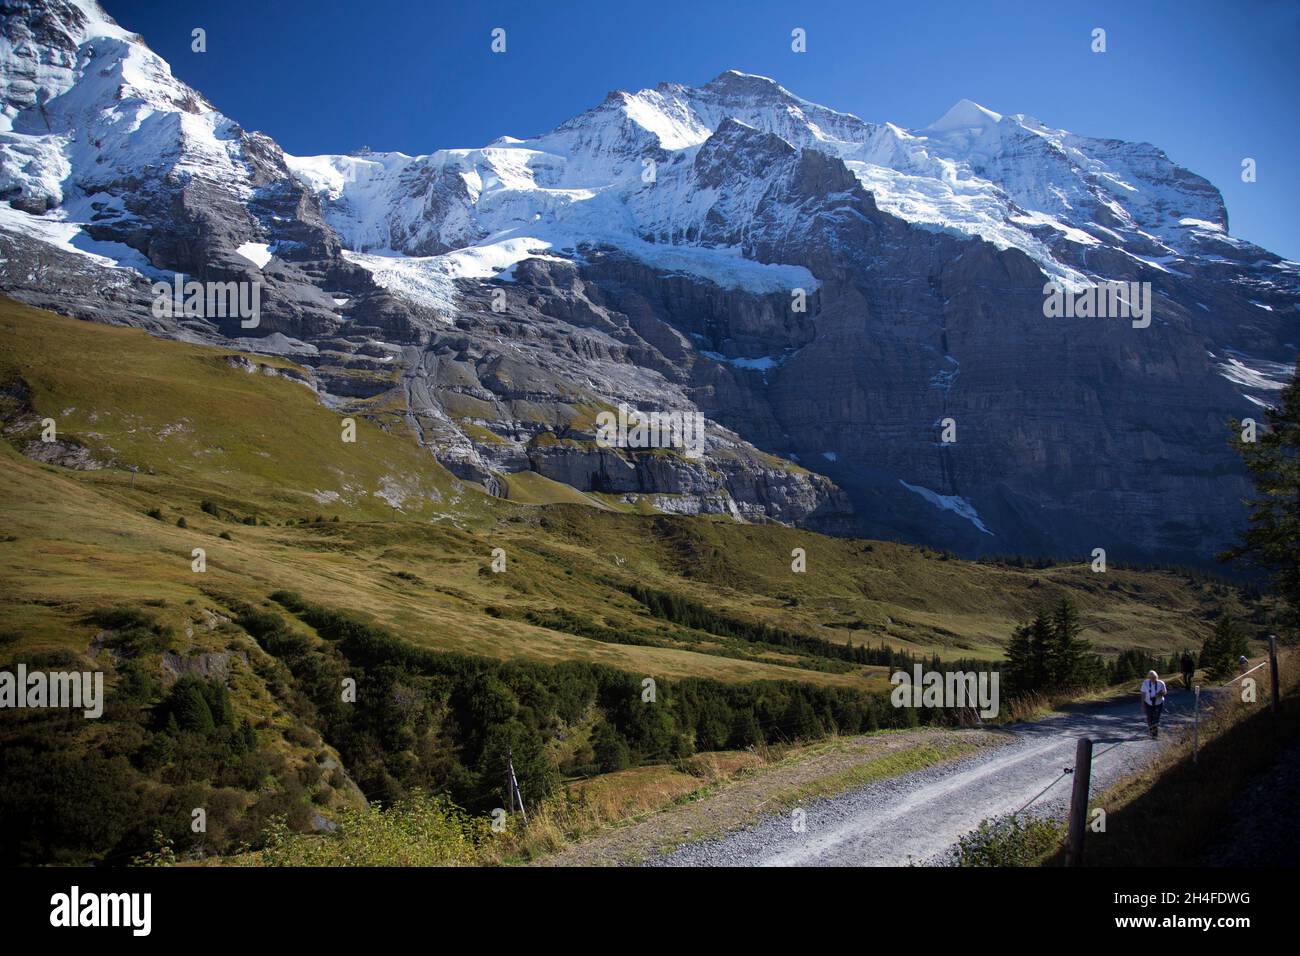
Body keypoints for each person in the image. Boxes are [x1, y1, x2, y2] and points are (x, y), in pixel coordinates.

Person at [1140, 670, 1167, 739]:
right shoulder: (1145, 683)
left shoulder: (1161, 683)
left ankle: (1154, 734)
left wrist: (1159, 694)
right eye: (1151, 677)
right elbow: (1143, 694)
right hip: (1148, 703)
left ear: (1157, 677)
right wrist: (1142, 704)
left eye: (1154, 677)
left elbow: (1165, 692)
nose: (1153, 679)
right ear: (1149, 677)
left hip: (1158, 703)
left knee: (1156, 718)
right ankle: (1151, 731)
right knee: (1149, 718)